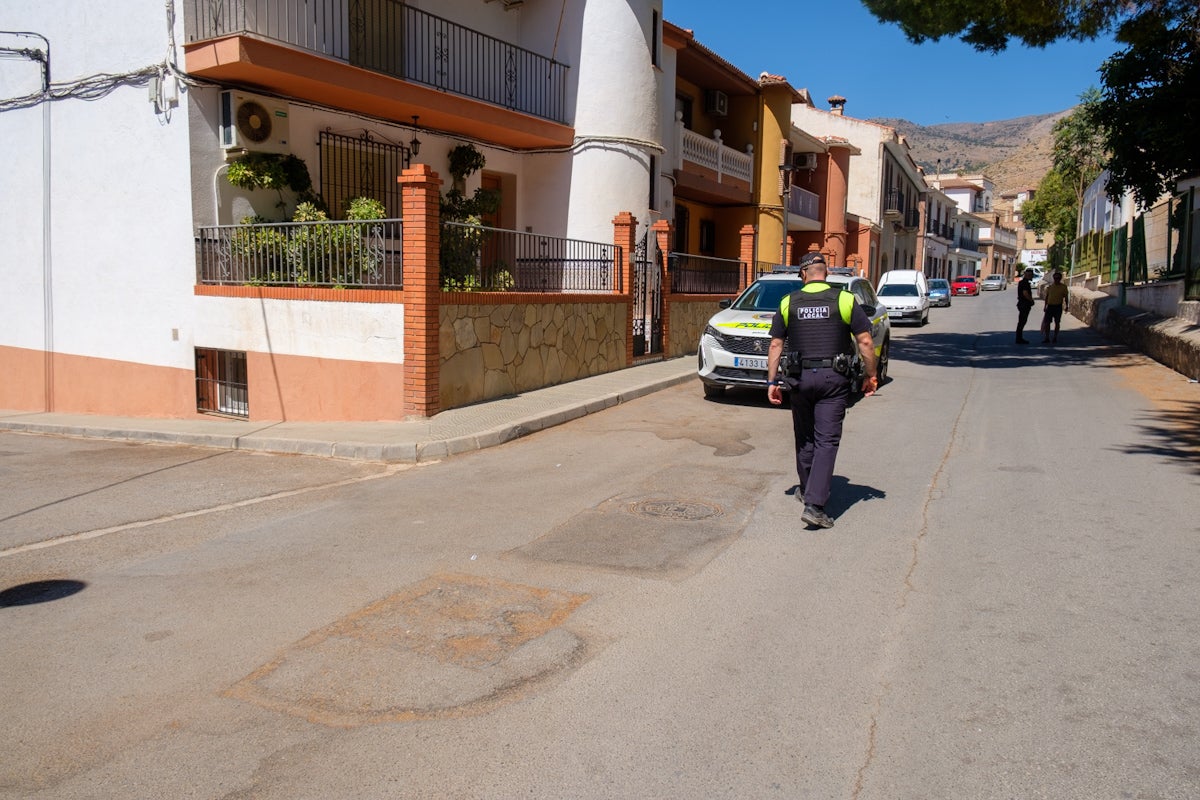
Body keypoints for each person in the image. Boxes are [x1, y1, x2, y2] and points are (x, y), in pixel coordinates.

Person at [765, 252, 878, 529]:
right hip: (832, 380)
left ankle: (806, 489)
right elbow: (864, 341)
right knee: (826, 440)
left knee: (804, 438)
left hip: (798, 379)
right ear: (825, 273)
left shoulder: (788, 302)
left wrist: (772, 382)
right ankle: (814, 505)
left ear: (803, 275)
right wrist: (871, 375)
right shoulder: (844, 299)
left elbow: (776, 345)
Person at [1041, 271, 1069, 343]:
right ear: (1053, 278)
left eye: (1058, 278)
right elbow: (1047, 297)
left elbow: (1066, 297)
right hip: (1050, 307)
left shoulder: (1063, 287)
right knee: (1047, 322)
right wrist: (1045, 306)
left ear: (1060, 278)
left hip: (1058, 307)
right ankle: (1047, 337)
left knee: (1057, 322)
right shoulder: (1050, 287)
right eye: (1055, 278)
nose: (1056, 279)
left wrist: (1067, 306)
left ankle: (1055, 337)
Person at [1015, 268, 1035, 344]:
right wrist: (1031, 300)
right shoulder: (1025, 283)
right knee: (1022, 321)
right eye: (1030, 275)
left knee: (1022, 321)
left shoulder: (1022, 282)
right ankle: (1019, 338)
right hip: (1024, 304)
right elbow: (1025, 293)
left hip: (1021, 304)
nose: (1031, 276)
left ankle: (1019, 338)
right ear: (1027, 275)